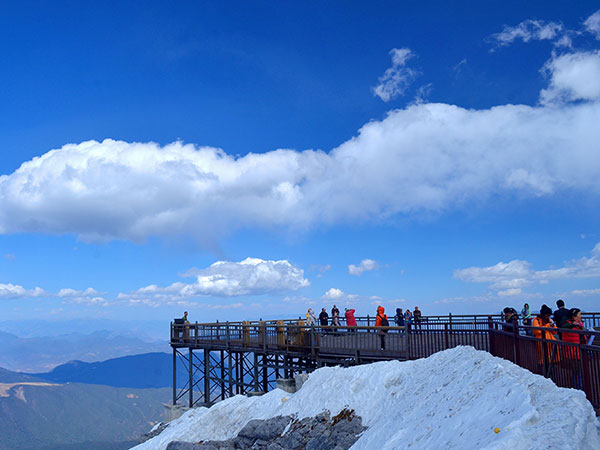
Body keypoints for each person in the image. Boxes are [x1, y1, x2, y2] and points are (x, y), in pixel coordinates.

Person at [561, 308, 585, 388]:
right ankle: (578, 389)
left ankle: (577, 388)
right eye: (580, 314)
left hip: (575, 352)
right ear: (574, 317)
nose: (581, 316)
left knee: (577, 373)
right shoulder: (571, 326)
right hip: (574, 352)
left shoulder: (576, 325)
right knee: (578, 373)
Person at [532, 304, 560, 370]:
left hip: (551, 343)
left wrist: (552, 325)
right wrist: (548, 326)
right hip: (542, 343)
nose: (548, 317)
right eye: (547, 316)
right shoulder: (536, 320)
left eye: (549, 316)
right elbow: (537, 331)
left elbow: (555, 332)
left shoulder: (547, 321)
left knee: (552, 359)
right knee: (544, 359)